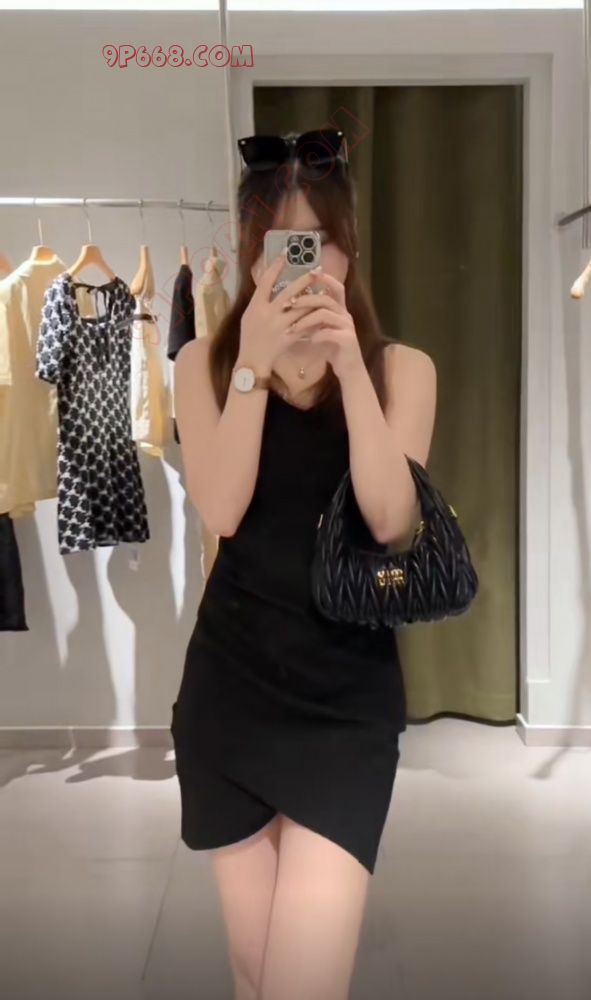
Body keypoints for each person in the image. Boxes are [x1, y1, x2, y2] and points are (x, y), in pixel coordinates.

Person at [171, 129, 437, 1000]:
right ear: (248, 256)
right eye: (278, 245)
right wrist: (251, 364)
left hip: (345, 705)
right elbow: (221, 510)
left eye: (316, 242)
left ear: (348, 247)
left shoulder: (402, 370)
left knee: (303, 983)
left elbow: (388, 519)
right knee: (255, 974)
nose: (300, 264)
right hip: (231, 695)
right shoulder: (202, 365)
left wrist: (350, 370)